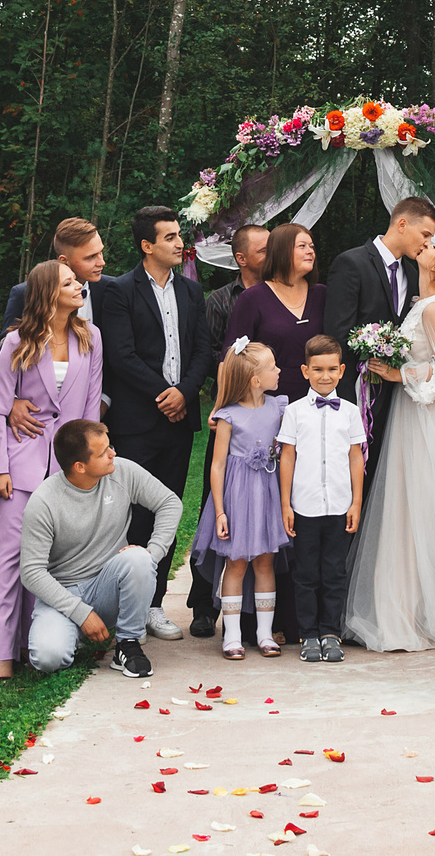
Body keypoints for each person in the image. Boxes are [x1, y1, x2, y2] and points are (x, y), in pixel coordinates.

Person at [343, 236, 435, 654]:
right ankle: (403, 602)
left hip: (425, 414)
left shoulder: (434, 307)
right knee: (403, 503)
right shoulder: (422, 302)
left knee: (424, 501)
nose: (425, 246)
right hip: (410, 413)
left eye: (433, 247)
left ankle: (426, 610)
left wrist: (402, 376)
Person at [94, 205, 211, 642]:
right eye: (170, 237)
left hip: (179, 422)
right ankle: (128, 604)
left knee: (168, 510)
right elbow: (120, 356)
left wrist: (186, 391)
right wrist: (165, 394)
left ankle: (156, 603)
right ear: (147, 246)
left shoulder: (192, 292)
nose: (180, 243)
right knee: (132, 515)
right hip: (139, 420)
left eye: (180, 235)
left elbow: (203, 349)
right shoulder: (120, 291)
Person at [0, 259, 105, 677]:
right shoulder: (16, 341)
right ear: (48, 293)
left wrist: (86, 467)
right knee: (9, 558)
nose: (79, 288)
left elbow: (91, 410)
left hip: (66, 467)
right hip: (19, 466)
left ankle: (30, 643)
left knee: (50, 559)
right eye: (69, 282)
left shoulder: (91, 338)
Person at [18, 419, 181, 679]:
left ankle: (127, 644)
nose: (113, 454)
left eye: (110, 446)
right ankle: (73, 632)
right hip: (64, 592)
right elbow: (31, 572)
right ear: (80, 467)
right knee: (48, 658)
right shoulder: (44, 502)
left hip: (108, 584)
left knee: (138, 559)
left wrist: (153, 554)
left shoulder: (122, 472)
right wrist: (82, 614)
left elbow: (169, 503)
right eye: (103, 452)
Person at [322, 196, 435, 467]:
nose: (427, 243)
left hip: (395, 394)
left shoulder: (412, 274)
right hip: (353, 388)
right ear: (402, 224)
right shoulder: (351, 263)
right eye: (424, 234)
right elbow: (336, 334)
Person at [195, 341, 290, 660]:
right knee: (235, 563)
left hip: (266, 493)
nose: (278, 371)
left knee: (265, 561)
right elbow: (217, 465)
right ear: (254, 380)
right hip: (237, 497)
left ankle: (264, 632)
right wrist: (220, 511)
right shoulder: (228, 416)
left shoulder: (278, 408)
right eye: (272, 367)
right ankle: (232, 635)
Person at [277, 335, 366, 663]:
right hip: (305, 505)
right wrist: (286, 504)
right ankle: (308, 634)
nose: (325, 376)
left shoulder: (351, 412)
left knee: (333, 572)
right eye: (317, 369)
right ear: (305, 371)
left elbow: (356, 457)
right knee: (306, 574)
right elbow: (287, 456)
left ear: (342, 370)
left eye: (331, 369)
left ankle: (331, 632)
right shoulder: (294, 411)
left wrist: (356, 502)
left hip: (340, 506)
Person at [226, 222, 329, 405]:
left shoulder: (322, 295)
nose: (311, 251)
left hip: (317, 401)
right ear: (282, 251)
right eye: (302, 246)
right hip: (267, 404)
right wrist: (224, 405)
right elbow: (232, 360)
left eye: (312, 246)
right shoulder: (252, 299)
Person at [3, 214, 107, 338]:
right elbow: (9, 349)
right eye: (91, 257)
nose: (102, 262)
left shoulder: (111, 289)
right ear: (64, 260)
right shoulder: (26, 293)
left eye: (101, 252)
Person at [204, 223, 271, 361]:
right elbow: (208, 352)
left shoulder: (285, 294)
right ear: (241, 259)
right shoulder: (218, 301)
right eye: (264, 251)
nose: (273, 255)